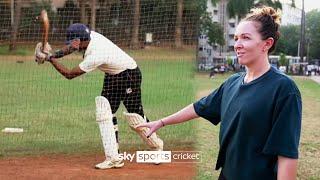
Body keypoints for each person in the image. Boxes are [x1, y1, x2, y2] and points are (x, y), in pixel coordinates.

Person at [137, 6, 302, 180]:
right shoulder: (232, 83)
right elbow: (198, 107)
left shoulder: (284, 89)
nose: (237, 44)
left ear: (267, 44)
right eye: (236, 38)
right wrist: (161, 122)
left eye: (245, 38)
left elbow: (287, 154)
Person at [34, 23, 163, 169]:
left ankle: (157, 147)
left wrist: (50, 59)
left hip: (129, 75)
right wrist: (52, 55)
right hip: (113, 75)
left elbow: (69, 74)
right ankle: (114, 158)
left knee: (135, 118)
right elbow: (72, 47)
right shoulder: (88, 36)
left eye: (72, 42)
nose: (71, 46)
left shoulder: (96, 54)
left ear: (79, 40)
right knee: (104, 111)